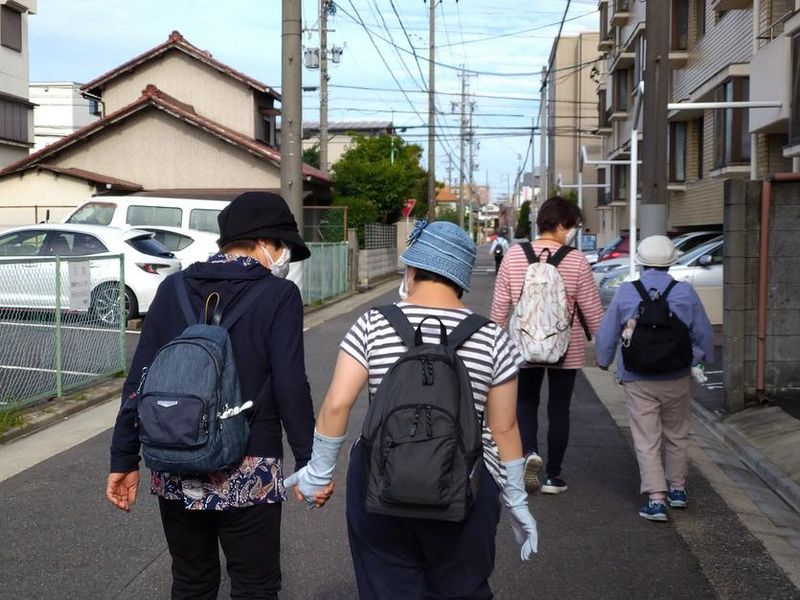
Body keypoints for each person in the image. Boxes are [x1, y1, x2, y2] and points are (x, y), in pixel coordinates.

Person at [285, 220, 538, 600]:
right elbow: (504, 429)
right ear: (460, 277)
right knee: (462, 589)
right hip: (465, 485)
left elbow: (337, 404)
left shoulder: (372, 324)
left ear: (413, 268)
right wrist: (516, 498)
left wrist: (319, 473)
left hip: (380, 481)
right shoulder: (493, 338)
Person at [106, 191, 329, 599]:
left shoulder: (172, 289)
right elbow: (290, 384)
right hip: (250, 463)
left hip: (176, 455)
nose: (283, 258)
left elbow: (139, 379)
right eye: (282, 247)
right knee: (255, 585)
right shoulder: (279, 296)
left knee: (191, 581)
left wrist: (124, 457)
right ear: (265, 242)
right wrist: (310, 462)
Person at [595, 235, 714, 522]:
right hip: (677, 374)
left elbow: (607, 333)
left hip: (638, 376)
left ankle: (656, 500)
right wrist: (699, 359)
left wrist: (604, 360)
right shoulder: (685, 291)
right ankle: (677, 489)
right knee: (677, 433)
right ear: (672, 261)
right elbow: (703, 332)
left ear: (640, 261)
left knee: (647, 439)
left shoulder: (627, 292)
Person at [490, 196, 603, 495]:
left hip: (522, 346)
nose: (573, 232)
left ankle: (529, 453)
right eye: (572, 226)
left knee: (525, 403)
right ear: (562, 225)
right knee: (559, 409)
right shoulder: (576, 260)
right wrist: (604, 350)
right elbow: (592, 310)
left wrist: (494, 344)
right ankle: (553, 476)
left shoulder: (514, 256)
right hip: (566, 348)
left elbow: (500, 307)